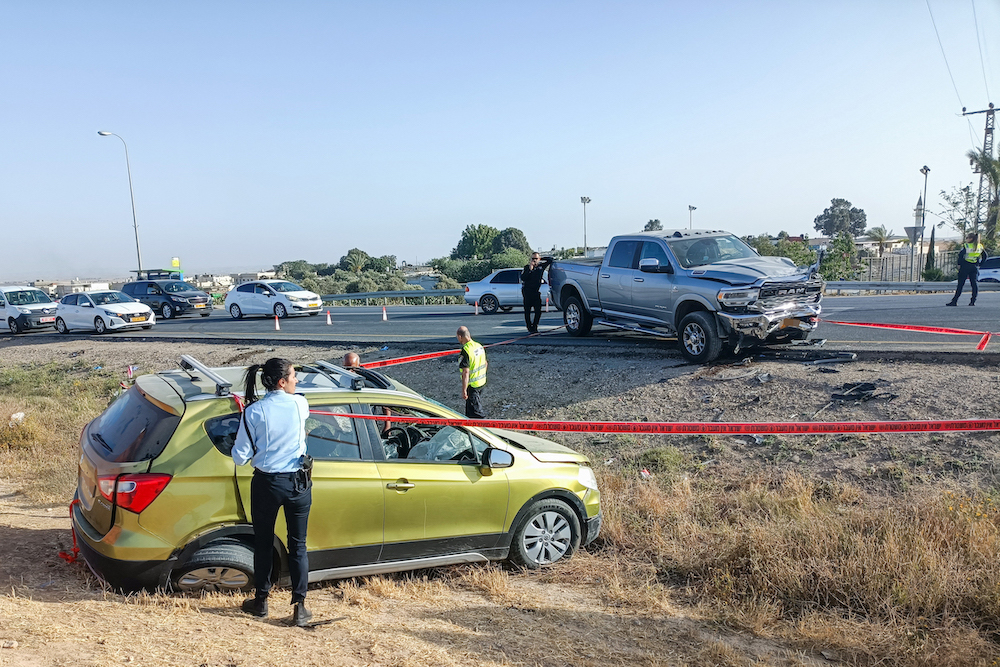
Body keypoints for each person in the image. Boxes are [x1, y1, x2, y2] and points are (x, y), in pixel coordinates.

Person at [232, 358, 313, 627]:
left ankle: (261, 600)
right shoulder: (300, 404)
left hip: (267, 483)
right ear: (282, 381)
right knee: (298, 544)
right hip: (298, 482)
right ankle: (300, 606)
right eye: (293, 376)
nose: (296, 380)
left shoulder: (253, 412)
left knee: (264, 542)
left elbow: (240, 457)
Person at [947, 233, 986, 306]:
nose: (966, 239)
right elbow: (985, 256)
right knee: (974, 284)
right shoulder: (980, 246)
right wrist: (980, 264)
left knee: (960, 284)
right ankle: (973, 301)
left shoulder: (967, 246)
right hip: (974, 267)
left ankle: (954, 301)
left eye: (967, 238)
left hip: (965, 266)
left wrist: (959, 264)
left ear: (971, 239)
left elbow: (961, 255)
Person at [456, 326, 487, 418]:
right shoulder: (479, 346)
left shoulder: (466, 350)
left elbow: (465, 372)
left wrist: (464, 390)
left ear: (460, 337)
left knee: (476, 412)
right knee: (470, 409)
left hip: (473, 385)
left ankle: (485, 424)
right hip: (481, 382)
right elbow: (485, 363)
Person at [521, 252, 552, 333]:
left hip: (535, 291)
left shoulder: (541, 267)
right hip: (527, 291)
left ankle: (535, 326)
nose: (534, 260)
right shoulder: (527, 268)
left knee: (538, 310)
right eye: (533, 259)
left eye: (536, 259)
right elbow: (523, 278)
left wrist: (541, 258)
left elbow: (550, 260)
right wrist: (530, 269)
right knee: (527, 311)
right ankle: (529, 327)